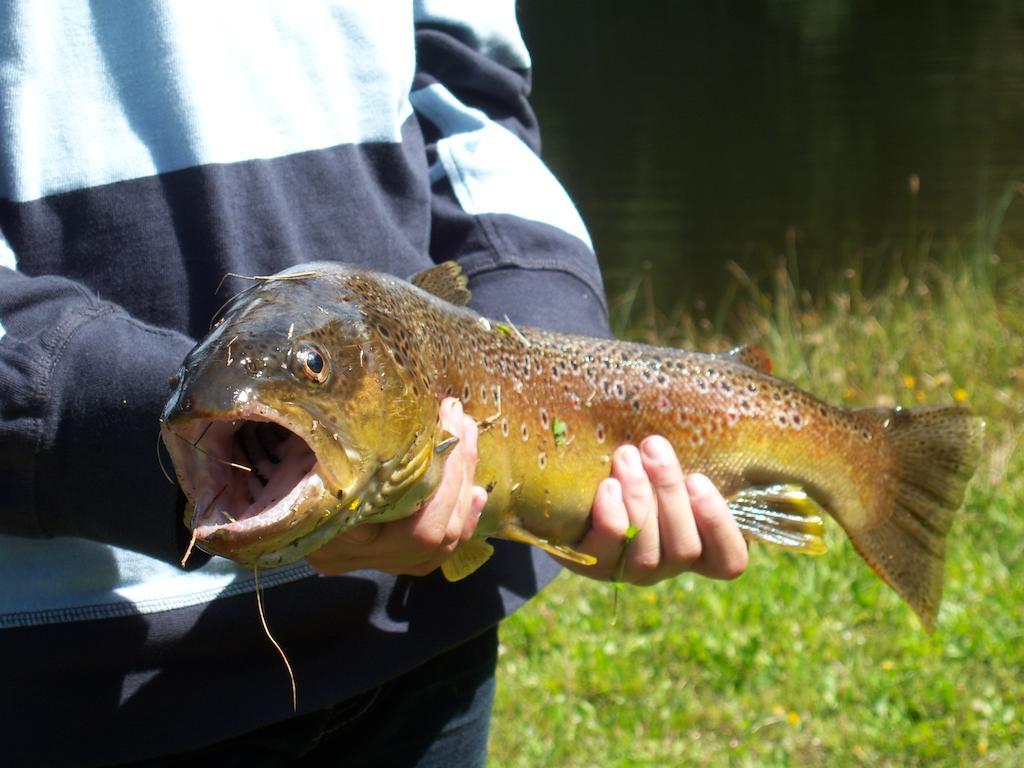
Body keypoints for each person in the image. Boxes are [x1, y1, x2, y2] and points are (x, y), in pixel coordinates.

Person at [0, 3, 747, 765]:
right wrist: (91, 423)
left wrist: (533, 348)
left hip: (428, 651)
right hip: (75, 686)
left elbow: (466, 85)